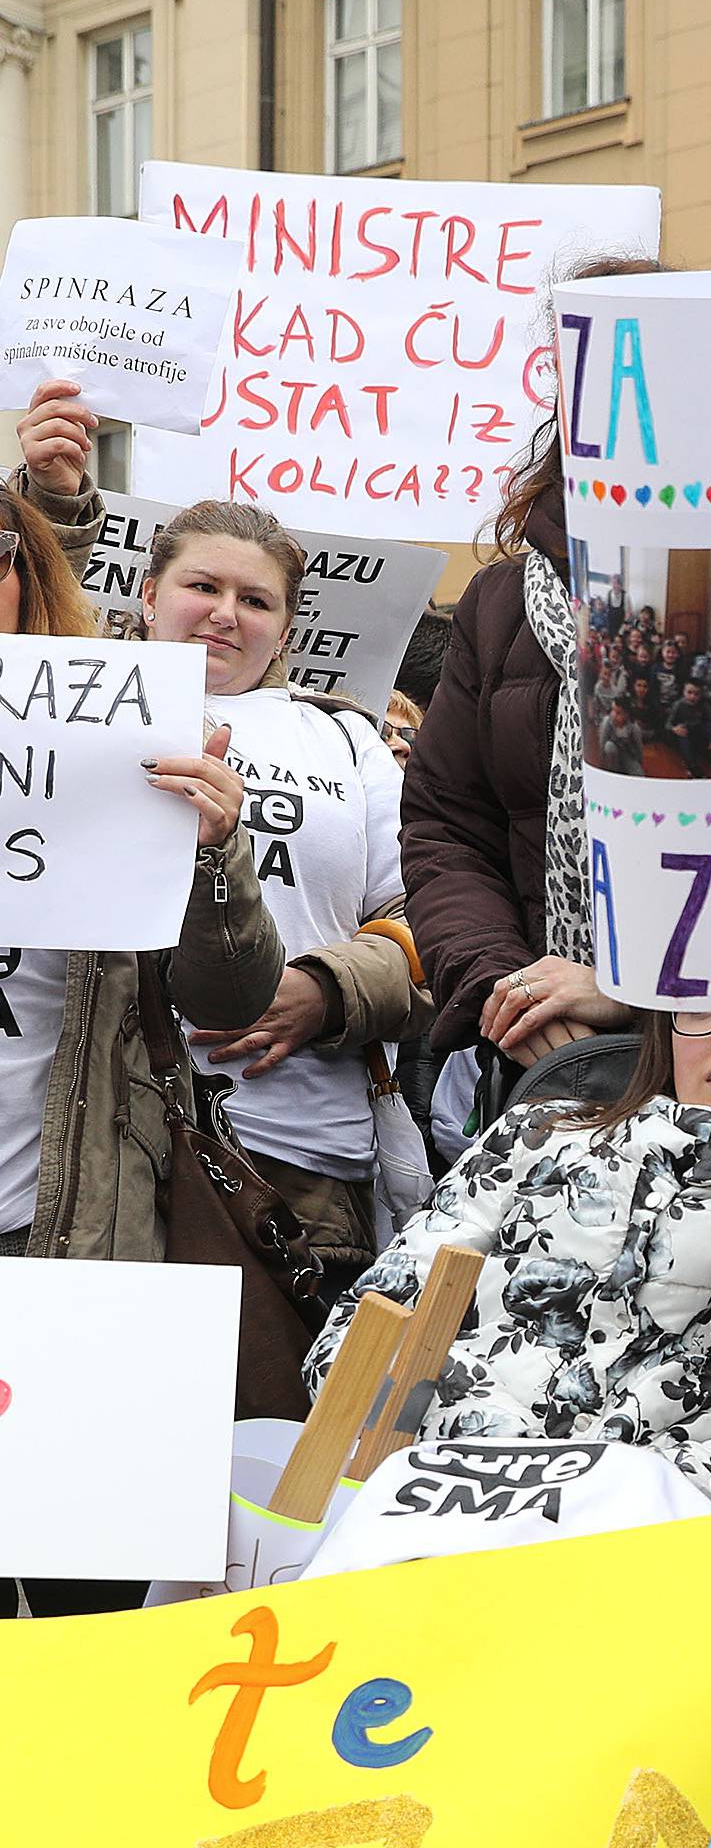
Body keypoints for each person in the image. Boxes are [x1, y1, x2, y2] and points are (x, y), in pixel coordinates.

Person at [306, 969, 711, 1551]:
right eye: (702, 1006)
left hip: (642, 1573)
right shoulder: (533, 1133)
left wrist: (632, 1486)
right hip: (431, 1530)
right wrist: (499, 1465)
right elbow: (348, 1353)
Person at [2, 487, 285, 1616]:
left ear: (28, 575)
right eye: (202, 588)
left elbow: (228, 995)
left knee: (92, 1607)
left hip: (80, 1231)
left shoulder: (115, 737)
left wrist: (216, 855)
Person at [141, 501, 430, 1299]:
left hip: (302, 1165)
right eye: (202, 584)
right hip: (118, 1147)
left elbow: (431, 925)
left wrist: (330, 989)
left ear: (287, 628)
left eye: (257, 599)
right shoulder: (73, 703)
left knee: (279, 1418)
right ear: (149, 592)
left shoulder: (347, 741)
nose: (226, 613)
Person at [402, 253, 658, 1075]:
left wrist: (631, 988)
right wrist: (507, 990)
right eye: (588, 376)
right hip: (545, 1051)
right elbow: (447, 826)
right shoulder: (501, 603)